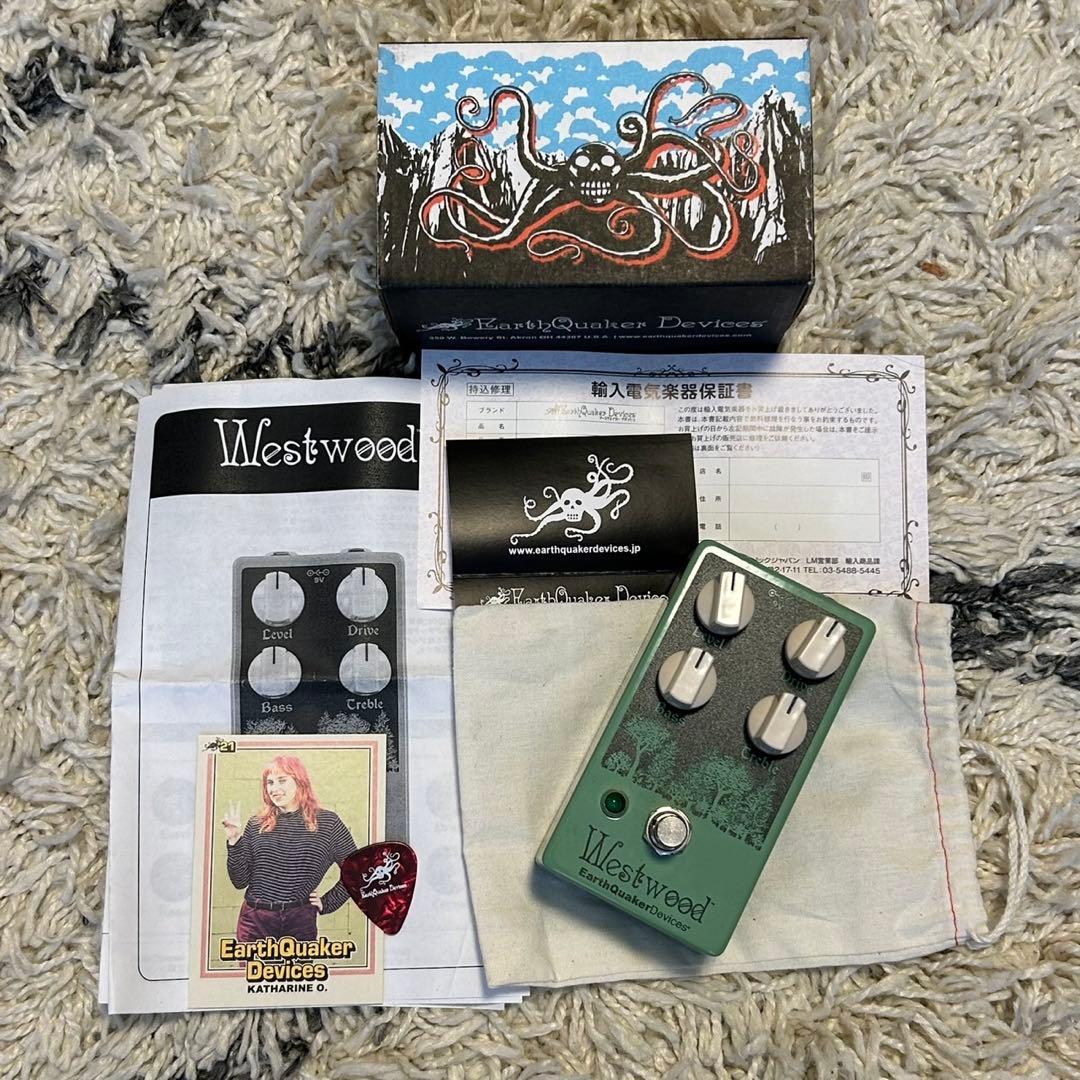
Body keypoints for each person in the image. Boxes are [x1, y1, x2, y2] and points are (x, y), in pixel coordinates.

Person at [222, 754, 358, 943]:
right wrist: (235, 840)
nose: (274, 789)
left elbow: (358, 871)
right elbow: (240, 881)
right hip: (255, 921)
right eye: (270, 783)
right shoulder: (256, 824)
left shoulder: (328, 823)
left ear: (299, 782)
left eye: (282, 780)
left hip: (300, 921)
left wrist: (328, 903)